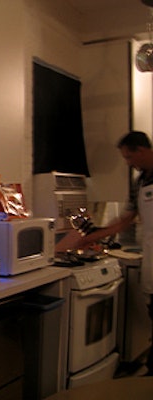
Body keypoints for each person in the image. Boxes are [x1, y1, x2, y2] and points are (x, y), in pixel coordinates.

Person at [77, 130, 153, 376]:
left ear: (141, 151)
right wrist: (89, 237)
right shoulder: (140, 182)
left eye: (129, 158)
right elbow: (124, 221)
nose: (128, 164)